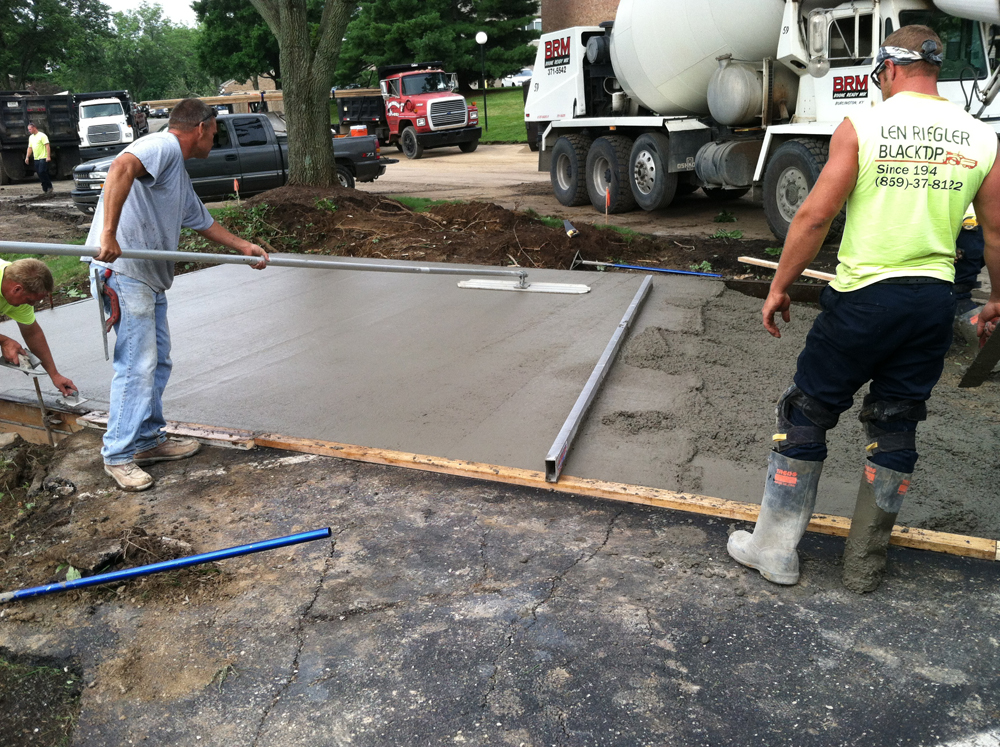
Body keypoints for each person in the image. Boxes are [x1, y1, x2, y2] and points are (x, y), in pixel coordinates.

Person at [726, 25, 1000, 593]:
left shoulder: (864, 125)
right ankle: (863, 567)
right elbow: (995, 230)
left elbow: (813, 217)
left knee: (806, 412)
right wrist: (998, 297)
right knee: (897, 423)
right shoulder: (980, 137)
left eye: (878, 74)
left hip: (863, 299)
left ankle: (774, 551)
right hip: (931, 301)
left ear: (890, 67)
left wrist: (780, 284)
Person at [89, 98, 269, 492]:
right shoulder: (163, 146)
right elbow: (120, 167)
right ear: (201, 127)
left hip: (148, 278)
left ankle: (148, 440)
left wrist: (242, 246)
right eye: (215, 134)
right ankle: (118, 455)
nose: (215, 141)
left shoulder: (177, 172)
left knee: (158, 361)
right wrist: (108, 234)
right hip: (125, 272)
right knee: (137, 365)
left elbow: (200, 220)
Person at [0, 258, 76, 396]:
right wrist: (4, 341)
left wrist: (54, 375)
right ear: (16, 289)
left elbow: (32, 333)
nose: (31, 305)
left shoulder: (15, 283)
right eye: (30, 300)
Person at [24, 123, 53, 195]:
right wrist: (27, 157)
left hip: (43, 157)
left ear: (34, 128)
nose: (29, 131)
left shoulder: (42, 136)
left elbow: (47, 146)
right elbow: (30, 148)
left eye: (30, 129)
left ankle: (49, 186)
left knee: (42, 171)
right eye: (28, 129)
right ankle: (45, 188)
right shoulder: (31, 137)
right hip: (36, 158)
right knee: (39, 173)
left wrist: (48, 156)